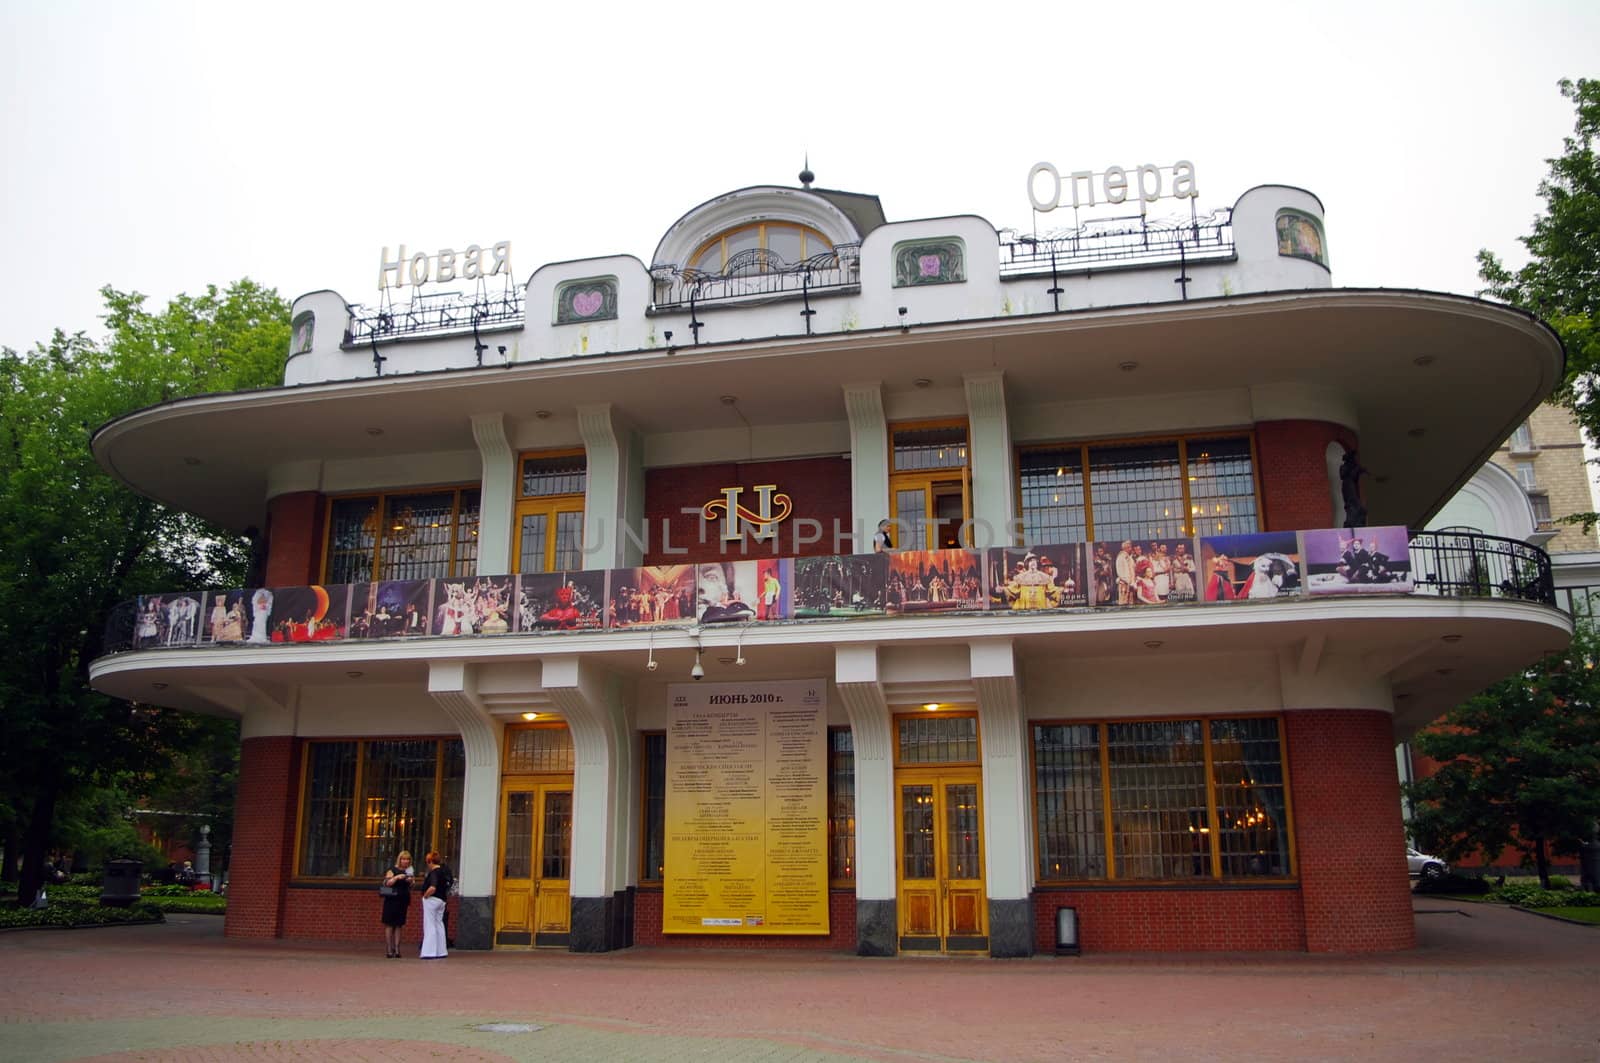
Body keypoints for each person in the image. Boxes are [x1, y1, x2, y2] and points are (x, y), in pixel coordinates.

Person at [380, 850, 414, 958]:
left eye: (408, 859)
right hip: (391, 900)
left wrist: (411, 881)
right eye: (404, 859)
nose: (405, 861)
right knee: (389, 924)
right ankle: (389, 949)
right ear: (400, 859)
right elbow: (387, 883)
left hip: (402, 900)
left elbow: (412, 886)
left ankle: (397, 948)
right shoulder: (392, 870)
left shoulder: (409, 871)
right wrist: (396, 877)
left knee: (399, 924)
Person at [419, 850, 450, 960]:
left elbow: (432, 887)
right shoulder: (443, 872)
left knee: (430, 924)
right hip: (442, 900)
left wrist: (425, 896)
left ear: (430, 861)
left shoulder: (433, 873)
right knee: (439, 924)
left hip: (432, 899)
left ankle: (429, 951)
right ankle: (441, 951)